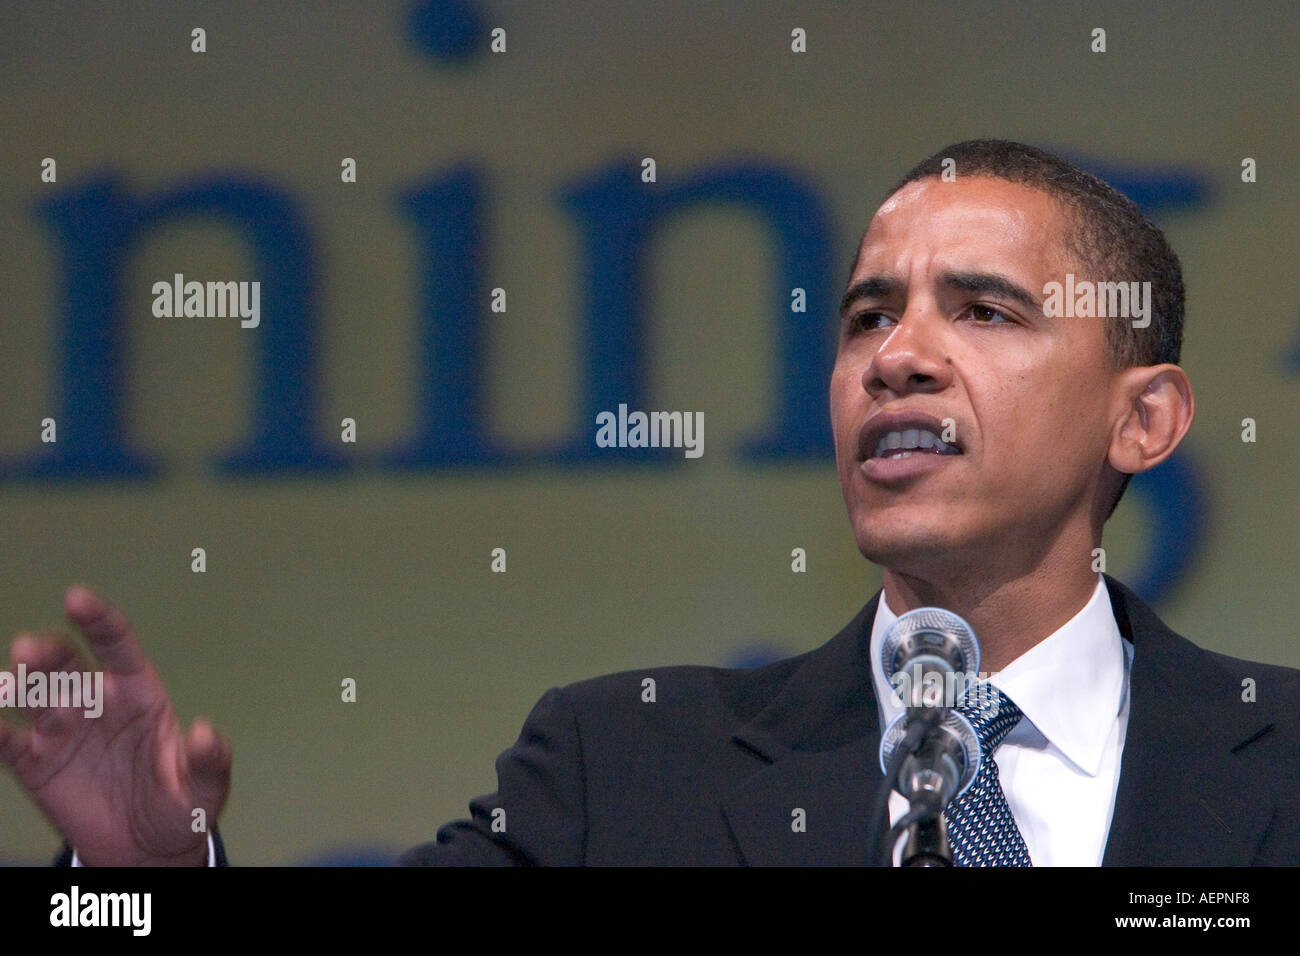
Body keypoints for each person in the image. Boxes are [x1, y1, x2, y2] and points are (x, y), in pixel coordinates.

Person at [5, 140, 1297, 866]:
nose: (897, 355)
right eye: (865, 317)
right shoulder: (622, 777)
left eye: (982, 309)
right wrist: (145, 886)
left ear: (1146, 417)